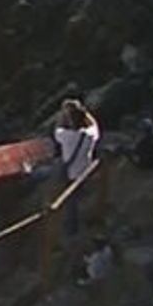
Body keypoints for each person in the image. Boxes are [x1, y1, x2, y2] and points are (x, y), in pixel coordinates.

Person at [54, 100, 100, 236]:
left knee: (71, 203)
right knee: (82, 198)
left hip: (72, 175)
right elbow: (94, 125)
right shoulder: (90, 135)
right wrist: (84, 112)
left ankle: (72, 231)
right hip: (86, 172)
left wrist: (62, 115)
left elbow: (57, 129)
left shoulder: (66, 136)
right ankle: (86, 222)